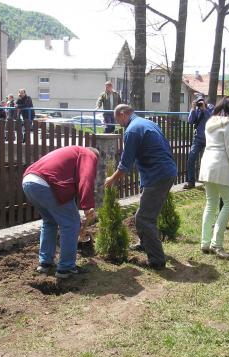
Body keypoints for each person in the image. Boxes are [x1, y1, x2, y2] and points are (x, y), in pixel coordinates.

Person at [104, 104, 177, 270]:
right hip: (165, 172)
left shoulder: (132, 130)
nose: (118, 123)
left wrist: (112, 179)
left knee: (144, 219)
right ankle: (145, 244)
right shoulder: (147, 123)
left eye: (117, 119)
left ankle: (157, 261)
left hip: (158, 175)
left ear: (123, 114)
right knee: (145, 214)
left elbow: (125, 164)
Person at [22, 146, 99, 279]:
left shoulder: (72, 153)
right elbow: (86, 177)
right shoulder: (89, 154)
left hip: (29, 181)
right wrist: (87, 206)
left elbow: (70, 184)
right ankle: (66, 268)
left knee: (50, 222)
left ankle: (45, 263)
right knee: (71, 224)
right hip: (47, 184)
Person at [199, 97, 229, 259]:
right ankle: (216, 244)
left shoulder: (210, 121)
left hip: (207, 164)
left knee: (211, 203)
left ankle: (205, 242)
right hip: (220, 165)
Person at [184, 94, 214, 189]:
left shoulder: (210, 107)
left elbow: (211, 119)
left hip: (210, 139)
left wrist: (204, 109)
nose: (200, 103)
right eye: (199, 102)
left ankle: (208, 182)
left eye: (202, 101)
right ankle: (191, 182)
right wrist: (192, 109)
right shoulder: (196, 109)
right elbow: (190, 121)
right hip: (198, 139)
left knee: (208, 161)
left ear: (204, 100)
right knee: (191, 159)